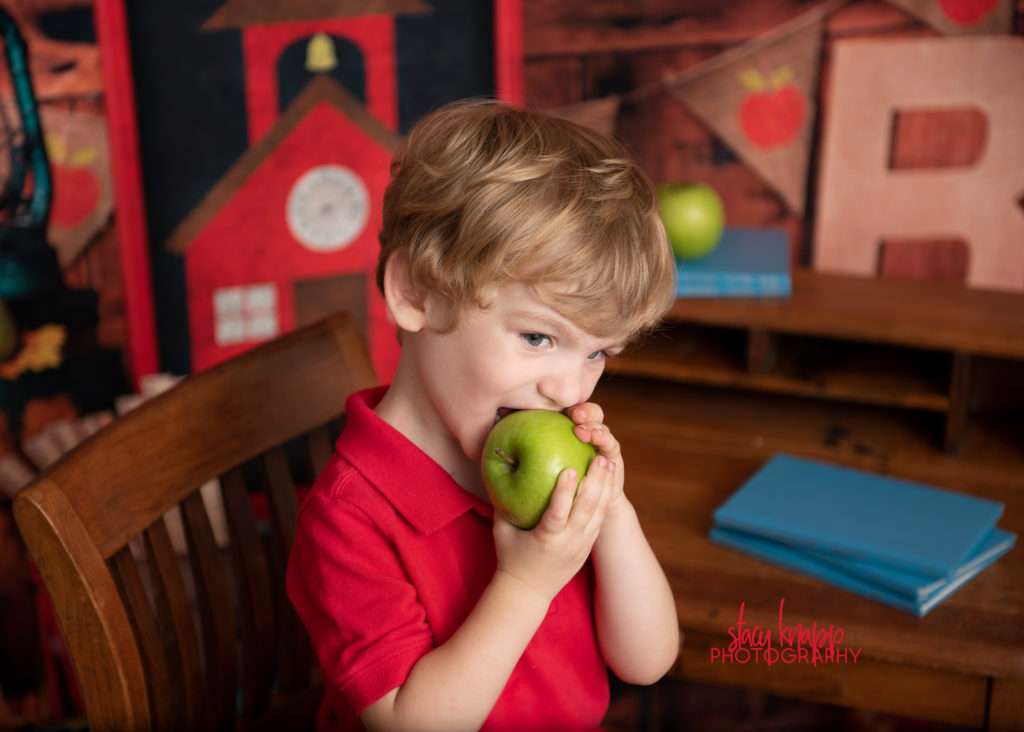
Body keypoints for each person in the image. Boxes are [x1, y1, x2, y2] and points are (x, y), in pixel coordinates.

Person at [287, 99, 679, 732]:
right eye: (538, 338)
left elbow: (647, 660)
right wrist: (525, 584)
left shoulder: (542, 472)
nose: (568, 385)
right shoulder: (348, 517)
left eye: (599, 352)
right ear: (416, 293)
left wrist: (611, 513)